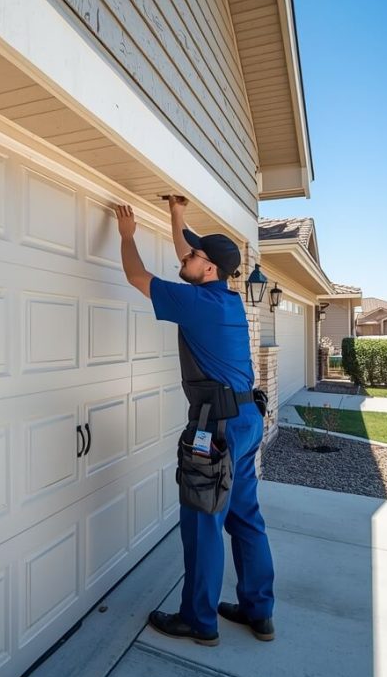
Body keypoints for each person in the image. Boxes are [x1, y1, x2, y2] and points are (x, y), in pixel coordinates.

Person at [115, 197, 275, 646]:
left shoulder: (196, 302)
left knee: (203, 519)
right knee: (244, 515)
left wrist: (128, 237)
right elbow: (190, 251)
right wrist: (177, 219)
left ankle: (199, 620)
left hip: (216, 428)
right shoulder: (222, 299)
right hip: (245, 421)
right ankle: (258, 611)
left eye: (193, 255)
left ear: (209, 270)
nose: (184, 255)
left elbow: (135, 276)